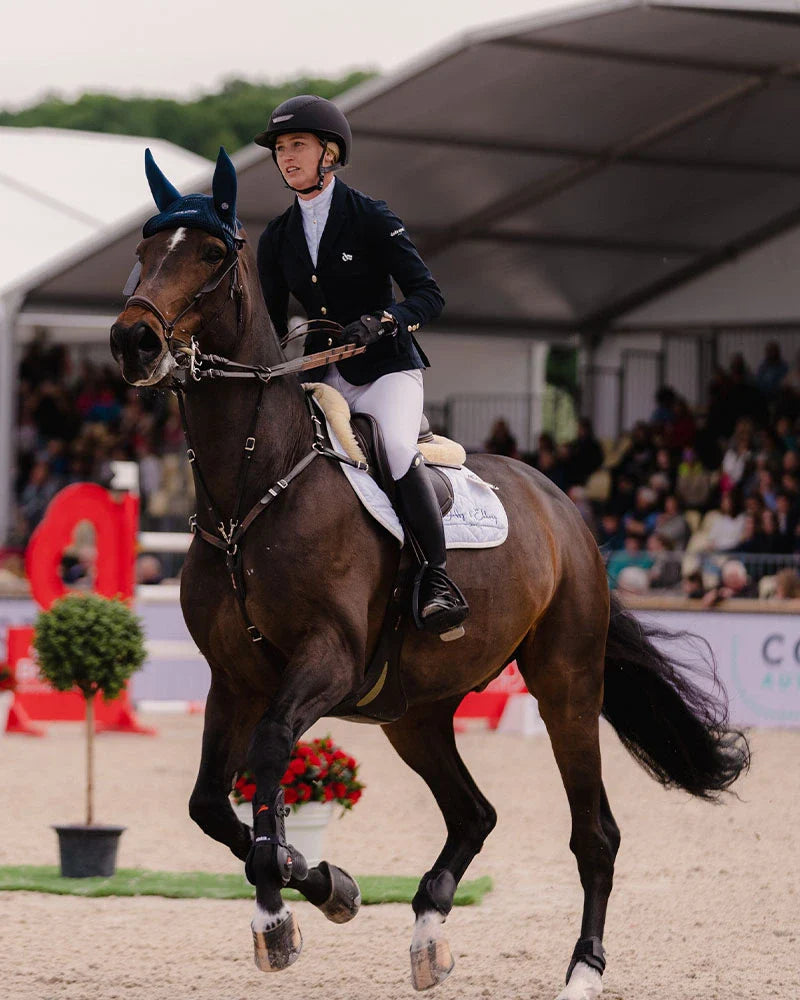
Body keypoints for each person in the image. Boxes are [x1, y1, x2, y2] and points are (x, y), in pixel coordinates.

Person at [254, 95, 468, 637]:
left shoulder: (371, 216)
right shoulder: (277, 236)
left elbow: (428, 294)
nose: (286, 156)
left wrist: (385, 320)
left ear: (330, 152)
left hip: (386, 371)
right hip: (320, 375)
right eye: (280, 148)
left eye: (297, 145)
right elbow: (273, 326)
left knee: (394, 448)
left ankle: (436, 578)